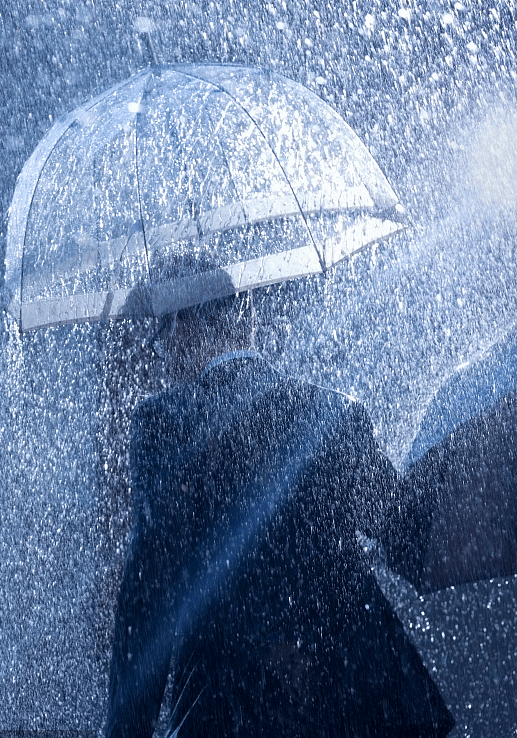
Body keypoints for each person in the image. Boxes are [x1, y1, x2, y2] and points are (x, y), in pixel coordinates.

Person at [102, 263, 453, 738]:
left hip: (231, 708)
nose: (160, 357)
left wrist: (127, 730)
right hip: (358, 699)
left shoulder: (165, 425)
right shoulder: (331, 413)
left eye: (159, 337)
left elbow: (149, 597)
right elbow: (409, 537)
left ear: (181, 327)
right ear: (241, 317)